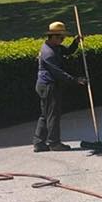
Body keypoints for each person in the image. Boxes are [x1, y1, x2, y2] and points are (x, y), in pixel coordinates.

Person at [34, 20, 86, 152]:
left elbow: (67, 52)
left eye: (64, 37)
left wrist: (75, 42)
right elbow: (58, 72)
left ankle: (39, 143)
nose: (63, 40)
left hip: (45, 85)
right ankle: (54, 143)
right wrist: (75, 80)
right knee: (53, 115)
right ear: (52, 37)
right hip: (48, 85)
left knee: (45, 115)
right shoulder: (48, 53)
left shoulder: (55, 47)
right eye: (60, 37)